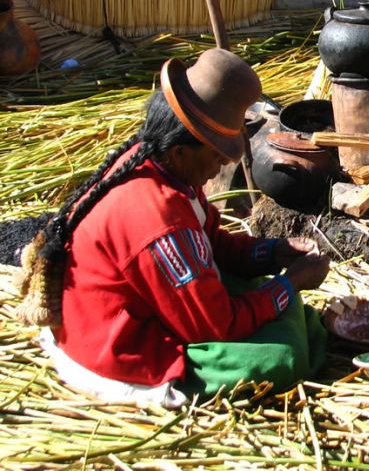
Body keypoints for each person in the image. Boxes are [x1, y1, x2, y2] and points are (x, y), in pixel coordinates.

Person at [15, 48, 330, 408]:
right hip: (121, 346)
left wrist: (275, 252)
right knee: (281, 357)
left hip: (150, 299)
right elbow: (213, 326)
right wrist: (291, 284)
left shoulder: (162, 166)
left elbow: (211, 244)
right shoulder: (158, 218)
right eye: (215, 156)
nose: (219, 168)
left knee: (264, 292)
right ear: (181, 151)